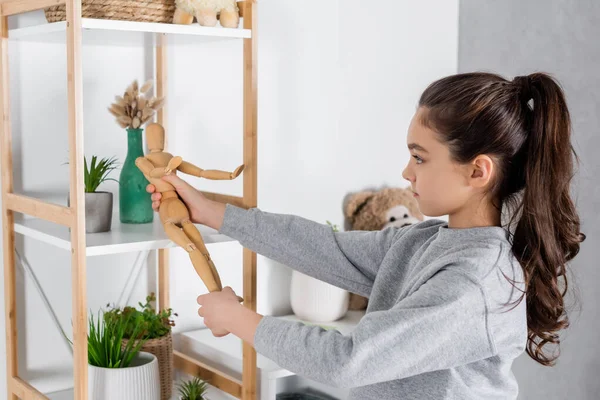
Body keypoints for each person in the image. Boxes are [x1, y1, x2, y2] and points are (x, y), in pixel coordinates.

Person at [146, 72, 585, 399]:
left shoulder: (475, 282)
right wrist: (214, 213)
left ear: (477, 171)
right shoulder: (424, 240)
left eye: (420, 158)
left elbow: (350, 360)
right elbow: (327, 247)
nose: (406, 172)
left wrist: (240, 320)